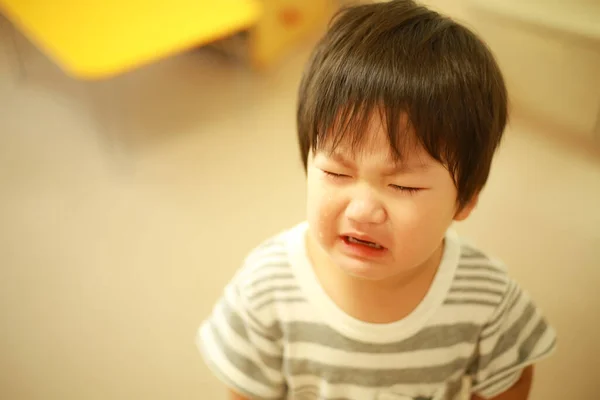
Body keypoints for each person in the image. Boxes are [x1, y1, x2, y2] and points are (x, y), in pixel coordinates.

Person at [196, 1, 557, 399]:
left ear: (465, 199)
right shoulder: (267, 287)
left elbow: (513, 378)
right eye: (337, 173)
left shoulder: (486, 298)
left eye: (403, 186)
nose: (363, 210)